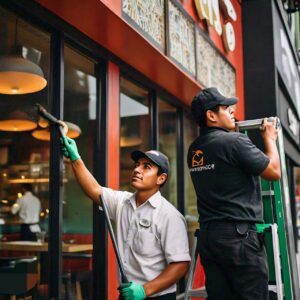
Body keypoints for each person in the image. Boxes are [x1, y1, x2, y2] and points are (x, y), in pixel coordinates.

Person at [60, 136, 191, 300]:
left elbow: (180, 265)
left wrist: (144, 290)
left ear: (161, 178)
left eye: (146, 167)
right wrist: (75, 158)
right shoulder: (122, 202)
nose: (137, 170)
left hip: (156, 296)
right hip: (127, 294)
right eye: (137, 165)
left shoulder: (170, 216)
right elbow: (94, 189)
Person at [187, 87, 281, 300]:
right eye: (225, 107)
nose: (232, 110)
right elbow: (274, 172)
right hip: (238, 239)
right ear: (211, 115)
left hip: (210, 238)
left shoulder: (195, 149)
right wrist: (270, 139)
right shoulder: (234, 142)